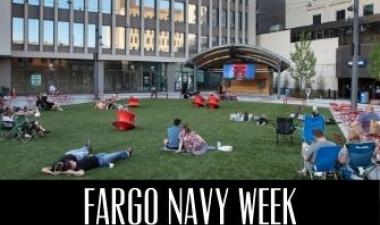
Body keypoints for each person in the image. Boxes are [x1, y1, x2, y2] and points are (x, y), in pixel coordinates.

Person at [62, 148, 133, 176]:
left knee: (115, 157)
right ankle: (127, 151)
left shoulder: (77, 162)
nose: (72, 161)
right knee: (115, 154)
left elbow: (85, 159)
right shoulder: (79, 168)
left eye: (71, 161)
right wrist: (73, 172)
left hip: (98, 156)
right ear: (72, 166)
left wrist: (90, 156)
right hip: (101, 161)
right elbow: (82, 173)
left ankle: (127, 154)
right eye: (71, 163)